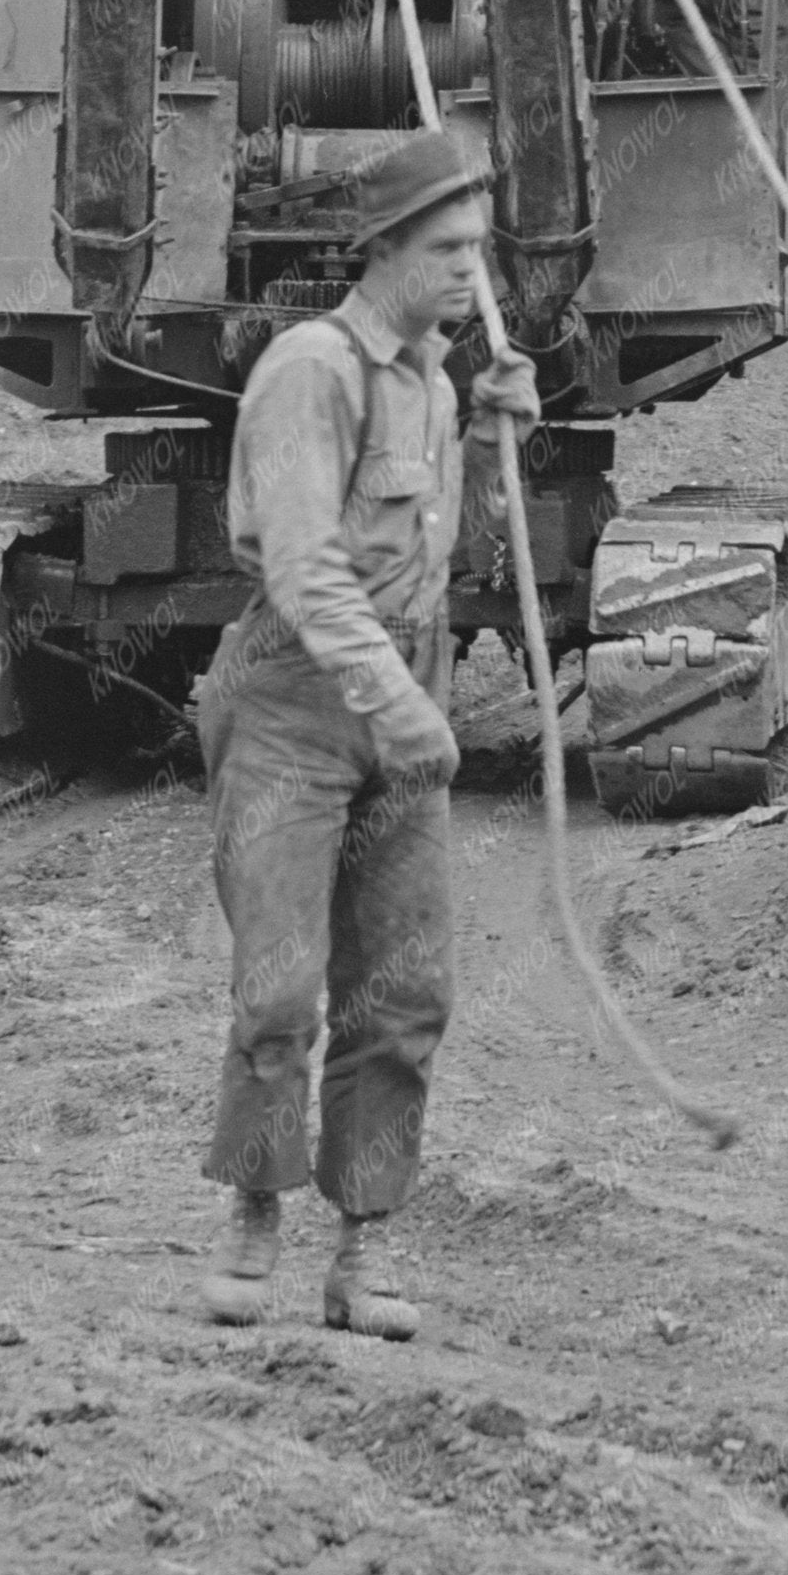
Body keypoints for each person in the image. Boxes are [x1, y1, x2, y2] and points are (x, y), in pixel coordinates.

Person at [192, 120, 539, 1340]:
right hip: (295, 704)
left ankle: (363, 1246)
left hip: (402, 697)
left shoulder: (437, 384)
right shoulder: (309, 368)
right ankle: (252, 1217)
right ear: (384, 248)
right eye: (447, 248)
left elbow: (454, 558)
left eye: (479, 250)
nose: (470, 273)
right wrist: (401, 707)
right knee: (280, 990)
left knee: (404, 992)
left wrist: (497, 446)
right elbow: (305, 567)